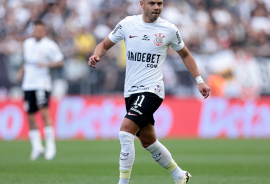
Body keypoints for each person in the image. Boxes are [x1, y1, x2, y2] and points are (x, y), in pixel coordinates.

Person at [88, 0, 211, 183]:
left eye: (160, 3)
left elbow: (185, 54)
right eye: (152, 3)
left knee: (125, 132)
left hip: (152, 90)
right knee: (148, 141)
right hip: (130, 92)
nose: (156, 7)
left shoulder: (168, 29)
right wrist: (96, 55)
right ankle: (180, 175)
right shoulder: (127, 24)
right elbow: (104, 45)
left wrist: (199, 80)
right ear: (142, 4)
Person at [18, 20, 64, 161]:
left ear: (44, 32)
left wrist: (47, 64)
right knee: (30, 115)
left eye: (40, 30)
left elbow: (60, 62)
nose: (37, 33)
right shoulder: (27, 43)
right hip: (28, 84)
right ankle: (37, 147)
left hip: (42, 84)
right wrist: (22, 70)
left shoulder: (50, 45)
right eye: (35, 30)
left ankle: (51, 146)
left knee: (44, 113)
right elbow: (28, 61)